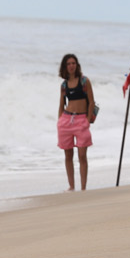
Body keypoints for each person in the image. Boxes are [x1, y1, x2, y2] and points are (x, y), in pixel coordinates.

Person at [57, 53, 95, 190]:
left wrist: (87, 120)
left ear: (77, 65)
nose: (71, 66)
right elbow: (61, 104)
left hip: (81, 120)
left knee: (82, 155)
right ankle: (71, 186)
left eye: (73, 63)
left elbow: (91, 102)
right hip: (66, 121)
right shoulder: (63, 85)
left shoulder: (84, 81)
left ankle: (83, 187)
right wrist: (59, 121)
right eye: (68, 64)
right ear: (64, 67)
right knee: (68, 155)